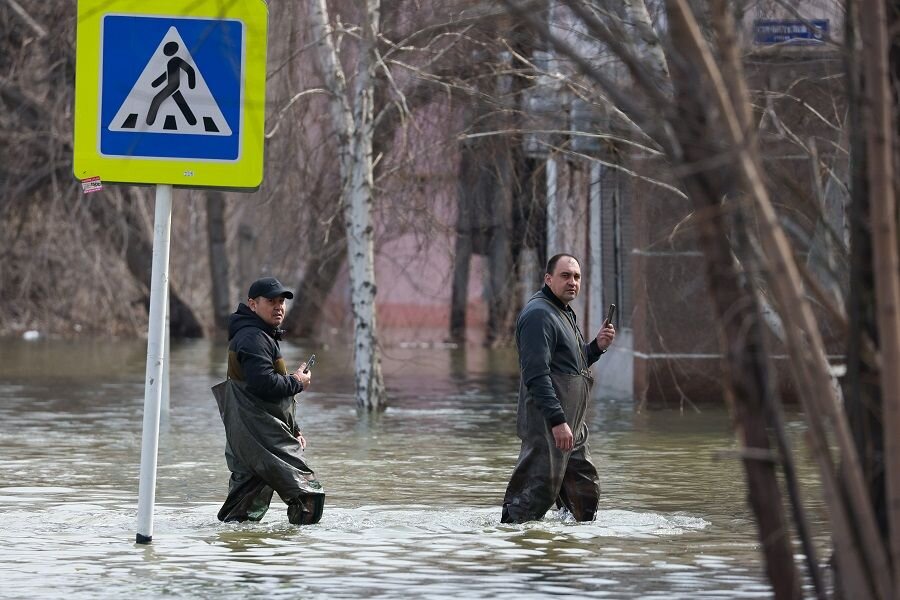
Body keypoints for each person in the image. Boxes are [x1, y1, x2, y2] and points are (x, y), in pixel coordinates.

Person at [501, 254, 616, 524]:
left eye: (577, 277)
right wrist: (557, 421)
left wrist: (596, 348)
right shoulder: (539, 315)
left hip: (572, 425)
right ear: (548, 279)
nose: (572, 282)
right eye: (565, 276)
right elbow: (536, 375)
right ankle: (513, 542)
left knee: (584, 492)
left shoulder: (563, 312)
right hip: (549, 424)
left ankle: (569, 547)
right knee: (534, 493)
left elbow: (571, 367)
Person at [212, 276, 325, 525]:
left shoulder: (258, 335)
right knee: (309, 496)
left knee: (241, 514)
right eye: (271, 301)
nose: (279, 307)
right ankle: (299, 559)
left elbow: (264, 393)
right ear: (253, 304)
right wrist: (298, 382)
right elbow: (263, 384)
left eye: (282, 301)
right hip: (259, 437)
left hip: (252, 435)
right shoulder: (253, 337)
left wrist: (293, 429)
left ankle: (235, 557)